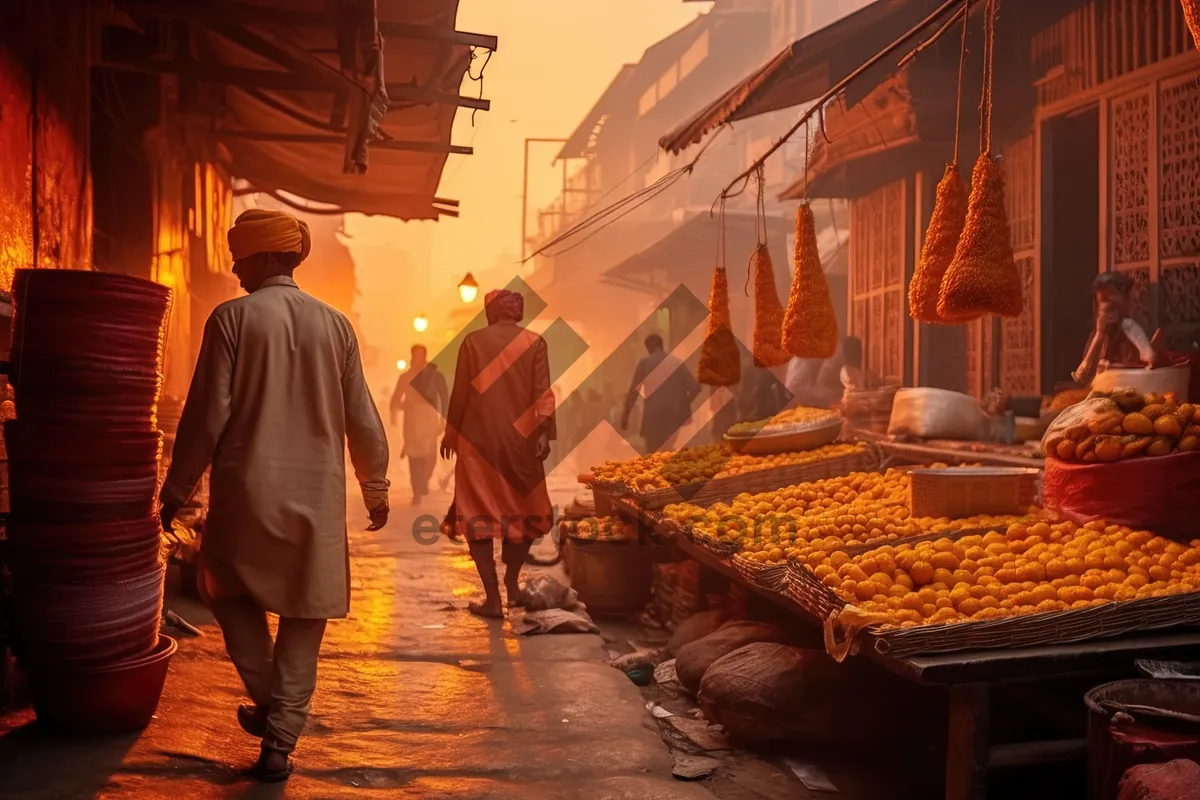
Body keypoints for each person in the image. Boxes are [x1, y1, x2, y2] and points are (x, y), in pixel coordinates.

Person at [159, 208, 389, 782]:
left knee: (228, 593)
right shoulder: (336, 326)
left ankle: (270, 705)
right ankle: (280, 742)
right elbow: (362, 416)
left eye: (240, 256)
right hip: (318, 500)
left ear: (265, 257)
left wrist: (176, 487)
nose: (234, 267)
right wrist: (375, 484)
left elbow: (206, 413)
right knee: (305, 616)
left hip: (246, 496)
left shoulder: (232, 319)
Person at [440, 289, 555, 618]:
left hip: (477, 446)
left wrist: (451, 433)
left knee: (477, 518)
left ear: (490, 312)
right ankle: (512, 581)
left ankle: (492, 598)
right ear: (517, 313)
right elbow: (542, 393)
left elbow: (460, 391)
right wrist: (544, 432)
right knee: (523, 513)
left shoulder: (473, 343)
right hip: (522, 444)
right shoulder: (535, 343)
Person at [1073, 271, 1158, 384]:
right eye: (1103, 302)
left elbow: (1149, 363)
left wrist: (1112, 369)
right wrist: (1099, 335)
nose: (1107, 308)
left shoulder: (1131, 327)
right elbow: (1081, 377)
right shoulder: (1099, 334)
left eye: (1113, 303)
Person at [621, 334, 701, 452]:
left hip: (652, 416)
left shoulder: (644, 363)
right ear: (661, 345)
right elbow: (696, 388)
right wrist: (684, 403)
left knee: (652, 456)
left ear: (648, 348)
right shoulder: (676, 362)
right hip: (673, 417)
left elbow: (633, 391)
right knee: (668, 452)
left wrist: (626, 415)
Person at [389, 345, 448, 506]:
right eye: (416, 356)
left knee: (430, 457)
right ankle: (417, 491)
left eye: (421, 356)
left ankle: (423, 482)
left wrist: (444, 419)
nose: (419, 359)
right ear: (412, 357)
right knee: (414, 458)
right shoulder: (405, 377)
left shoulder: (434, 376)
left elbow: (444, 397)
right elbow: (395, 400)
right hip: (412, 422)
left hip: (430, 421)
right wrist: (404, 406)